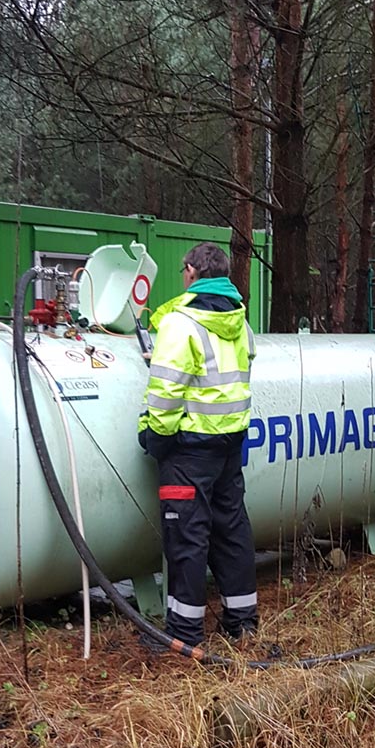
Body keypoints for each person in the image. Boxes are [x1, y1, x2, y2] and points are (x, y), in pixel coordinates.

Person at [138, 242, 258, 649]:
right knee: (232, 531)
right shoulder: (240, 321)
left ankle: (183, 633)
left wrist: (157, 435)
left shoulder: (180, 323)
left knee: (187, 537)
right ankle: (243, 623)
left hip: (188, 449)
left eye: (182, 271)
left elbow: (165, 392)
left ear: (191, 271)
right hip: (229, 444)